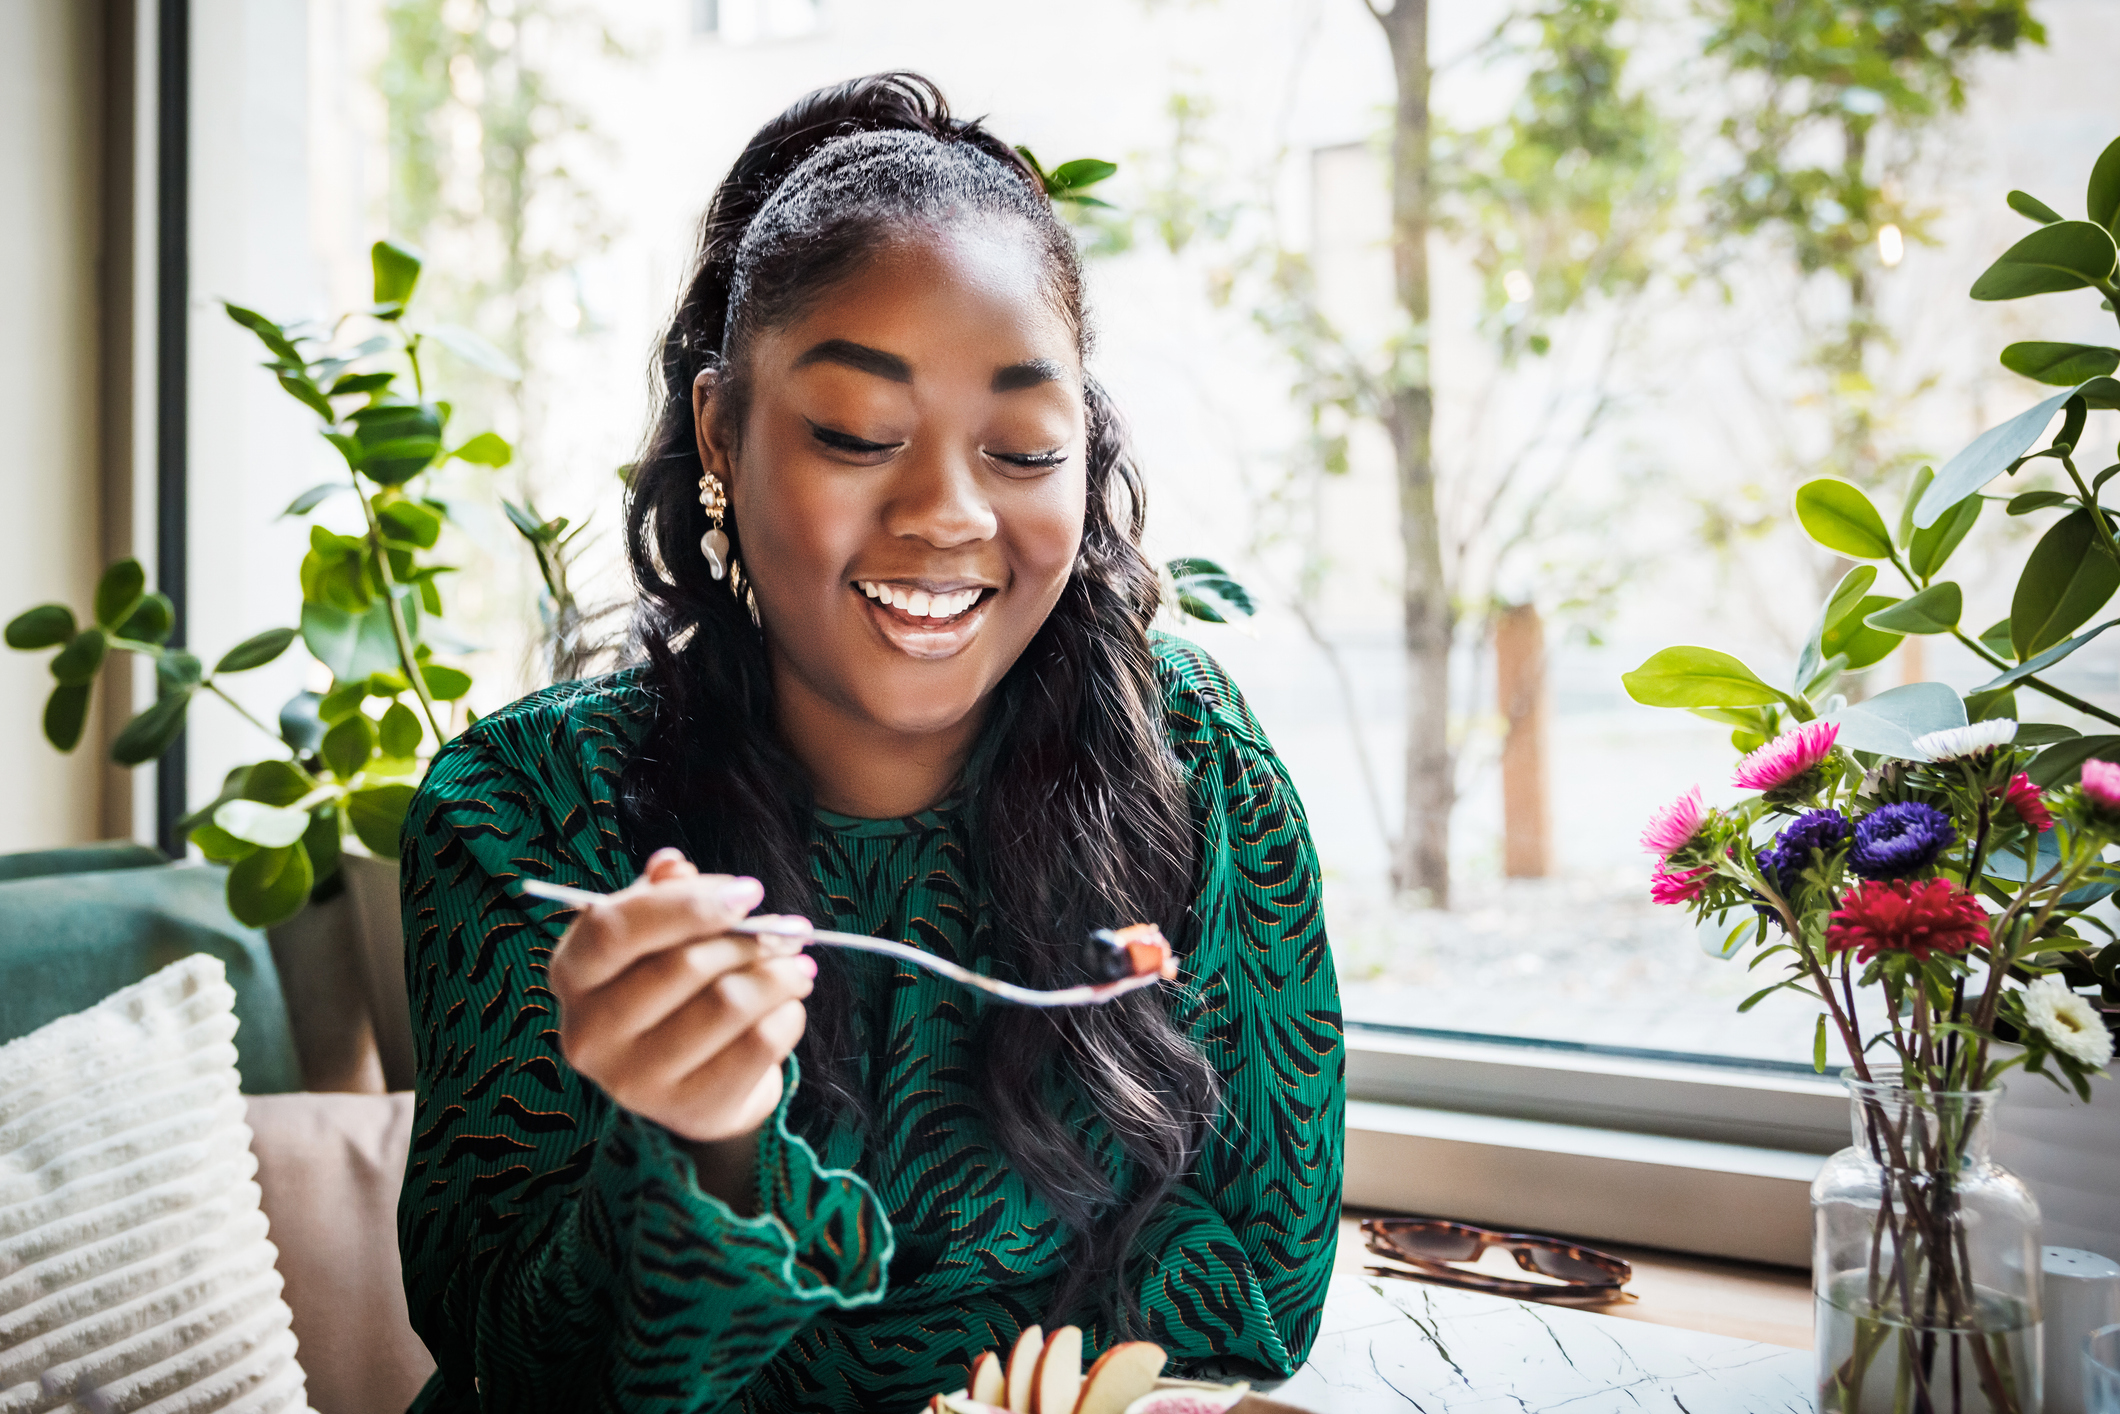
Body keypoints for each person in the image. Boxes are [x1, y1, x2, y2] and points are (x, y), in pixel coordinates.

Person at [397, 72, 1343, 1414]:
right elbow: (519, 1355)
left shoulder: (1198, 763)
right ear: (721, 428)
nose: (947, 514)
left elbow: (1261, 1290)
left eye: (1022, 448)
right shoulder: (523, 809)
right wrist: (708, 1150)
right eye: (854, 433)